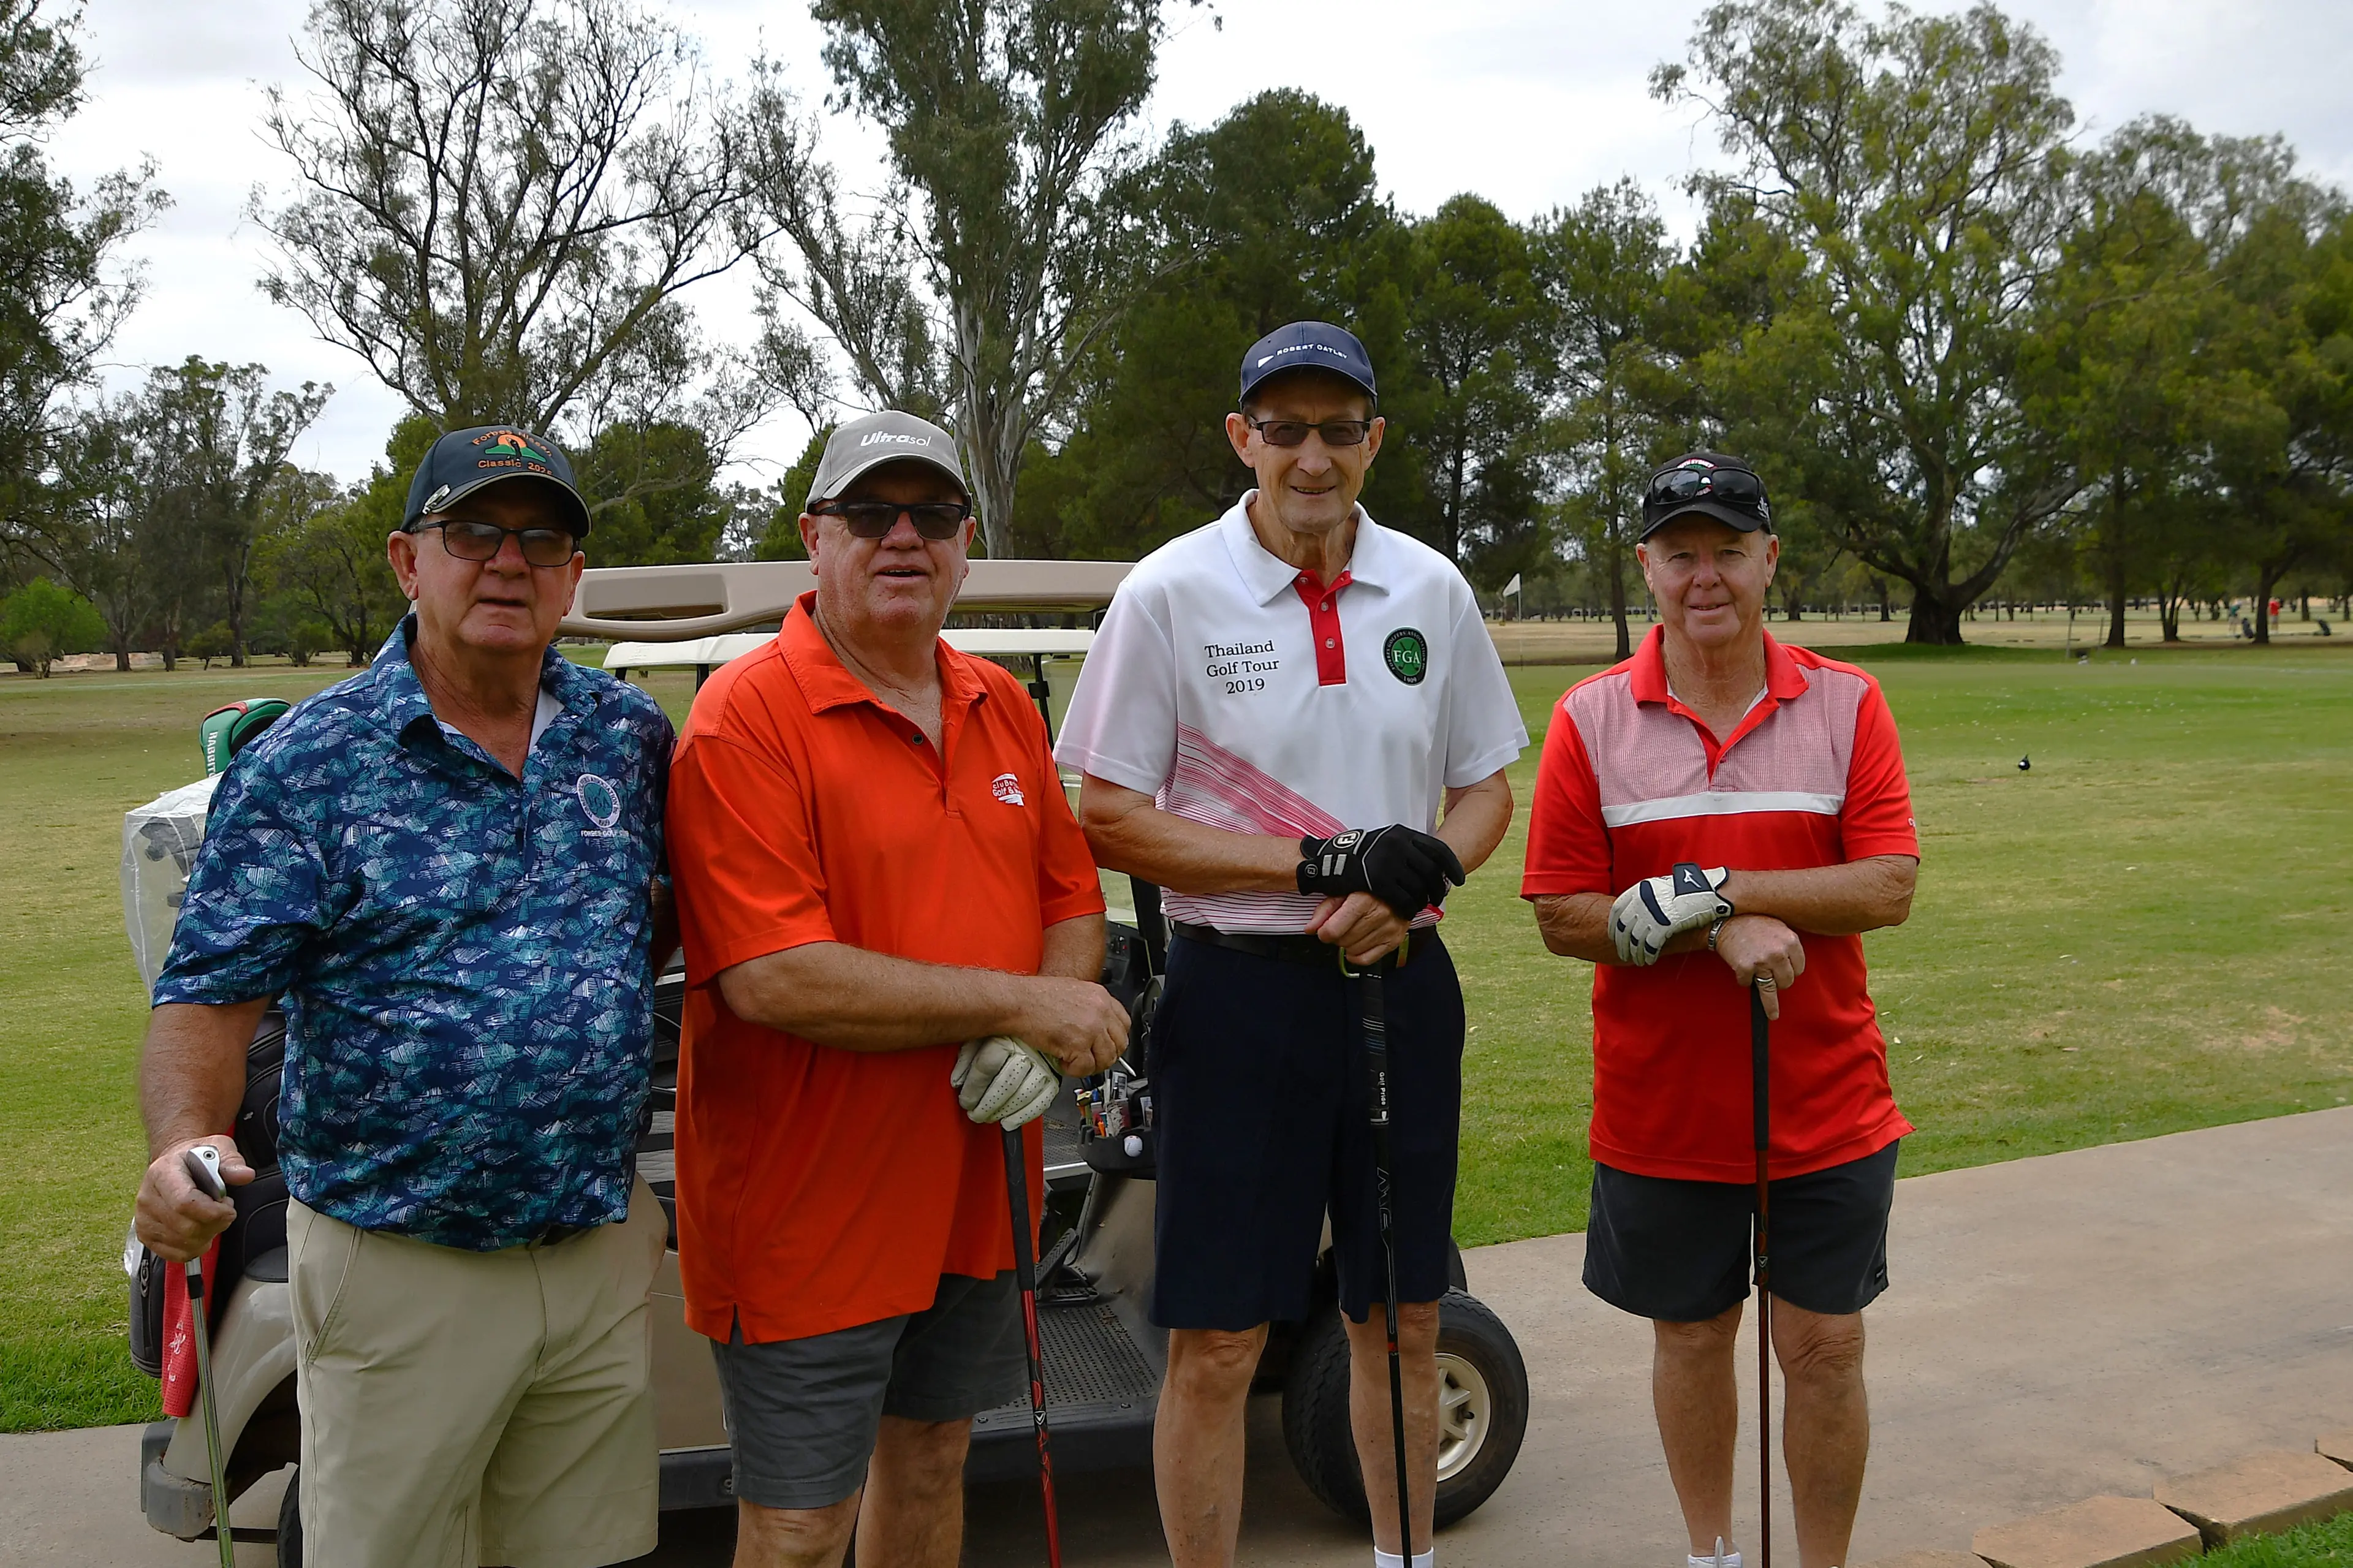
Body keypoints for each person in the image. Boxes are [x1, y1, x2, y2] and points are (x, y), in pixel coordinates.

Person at [134, 425, 677, 1567]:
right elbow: (207, 997)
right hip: (401, 1265)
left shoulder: (625, 738)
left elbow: (665, 929)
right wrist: (185, 1139)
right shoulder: (310, 762)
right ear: (406, 559)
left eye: (542, 539)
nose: (508, 561)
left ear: (575, 576)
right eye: (472, 531)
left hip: (591, 1252)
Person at [1053, 321, 1527, 1568]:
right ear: (1240, 438)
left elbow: (1485, 787)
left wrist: (1429, 871)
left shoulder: (1431, 588)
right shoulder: (1167, 593)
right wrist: (1320, 864)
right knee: (1218, 1338)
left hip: (1402, 991)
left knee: (1405, 1316)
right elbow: (1107, 812)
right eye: (1283, 429)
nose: (1309, 456)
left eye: (1336, 429)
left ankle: (1404, 1557)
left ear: (1373, 439)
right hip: (1237, 997)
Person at [663, 409, 1130, 1568]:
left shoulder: (1001, 704)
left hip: (975, 1192)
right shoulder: (747, 716)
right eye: (873, 514)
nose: (904, 537)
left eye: (934, 515)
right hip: (804, 1210)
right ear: (815, 539)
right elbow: (776, 976)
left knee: (930, 1462)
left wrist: (1041, 1015)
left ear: (966, 542)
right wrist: (1020, 1008)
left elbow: (1071, 903)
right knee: (798, 1525)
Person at [1520, 452, 1920, 1568]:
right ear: (1646, 565)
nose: (1708, 575)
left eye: (1730, 549)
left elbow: (1887, 884)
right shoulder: (1589, 719)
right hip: (1666, 1106)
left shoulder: (1848, 702)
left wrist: (1716, 893)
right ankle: (1713, 1558)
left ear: (1770, 560)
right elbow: (1560, 911)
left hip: (1826, 1096)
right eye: (1682, 551)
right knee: (1695, 1339)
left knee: (1827, 1349)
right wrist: (1712, 928)